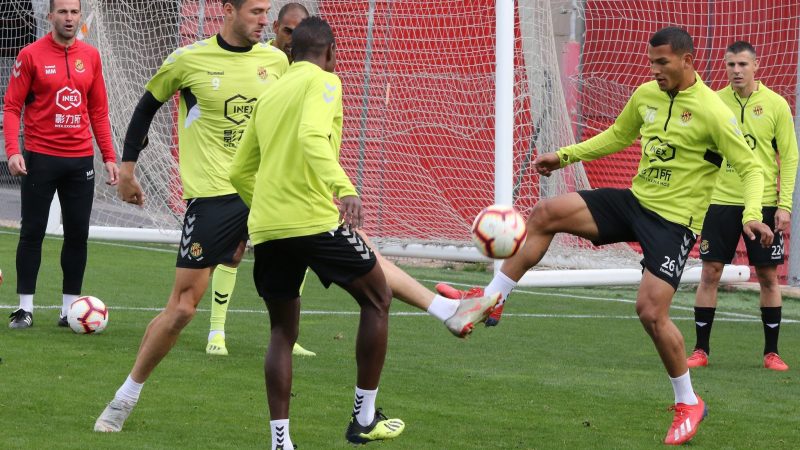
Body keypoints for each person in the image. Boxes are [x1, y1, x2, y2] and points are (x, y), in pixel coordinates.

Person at [440, 27, 774, 445]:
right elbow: (618, 135)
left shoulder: (712, 110)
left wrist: (752, 214)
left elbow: (752, 167)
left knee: (651, 312)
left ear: (688, 61)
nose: (654, 71)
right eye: (651, 62)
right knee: (547, 212)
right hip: (634, 202)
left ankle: (688, 401)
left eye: (663, 63)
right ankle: (493, 299)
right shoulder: (647, 96)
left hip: (673, 224)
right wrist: (564, 156)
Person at [94, 0, 289, 432]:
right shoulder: (189, 60)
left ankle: (443, 307)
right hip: (214, 199)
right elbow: (146, 107)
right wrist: (127, 169)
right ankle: (124, 399)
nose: (265, 20)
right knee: (182, 309)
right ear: (228, 9)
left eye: (268, 11)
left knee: (349, 259)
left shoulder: (277, 62)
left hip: (269, 194)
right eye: (256, 11)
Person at [229, 16, 409, 448]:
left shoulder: (270, 95)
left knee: (281, 333)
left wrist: (268, 207)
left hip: (269, 227)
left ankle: (280, 442)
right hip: (311, 219)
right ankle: (363, 418)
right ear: (329, 53)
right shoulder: (326, 82)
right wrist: (344, 188)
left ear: (291, 53)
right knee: (378, 298)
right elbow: (312, 135)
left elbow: (238, 171)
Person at [204, 1, 317, 358]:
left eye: (299, 33)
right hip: (247, 174)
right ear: (276, 30)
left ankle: (288, 335)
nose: (292, 39)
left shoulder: (309, 72)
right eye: (287, 31)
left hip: (285, 175)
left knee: (297, 251)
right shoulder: (264, 60)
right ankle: (216, 331)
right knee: (234, 252)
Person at [3, 0, 119, 329]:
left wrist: (108, 156)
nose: (69, 18)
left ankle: (70, 311)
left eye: (74, 12)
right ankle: (24, 309)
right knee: (32, 233)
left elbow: (98, 111)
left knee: (77, 235)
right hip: (40, 157)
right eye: (63, 12)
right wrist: (13, 150)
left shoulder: (91, 57)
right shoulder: (30, 55)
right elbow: (12, 107)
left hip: (80, 160)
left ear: (80, 16)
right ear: (50, 15)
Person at [687, 41, 797, 372]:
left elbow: (789, 158)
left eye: (743, 65)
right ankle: (700, 350)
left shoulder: (776, 105)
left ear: (756, 66)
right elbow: (702, 152)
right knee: (710, 272)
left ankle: (772, 353)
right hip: (719, 202)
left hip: (762, 204)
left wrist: (784, 204)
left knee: (767, 276)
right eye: (731, 64)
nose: (736, 70)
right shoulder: (714, 102)